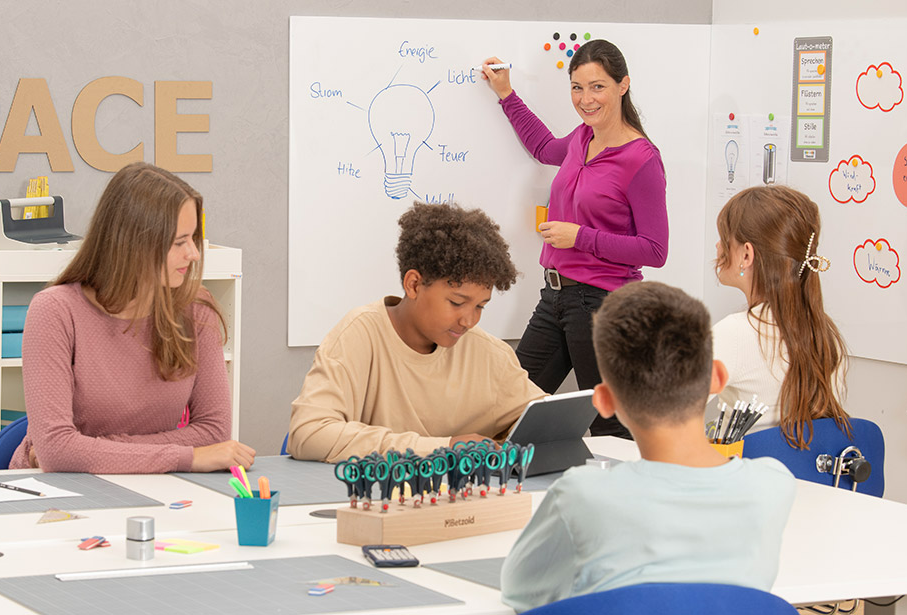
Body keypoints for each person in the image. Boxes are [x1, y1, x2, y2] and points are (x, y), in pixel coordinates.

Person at [500, 281, 795, 612]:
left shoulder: (582, 495)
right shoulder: (774, 484)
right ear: (717, 376)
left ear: (604, 401)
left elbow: (518, 592)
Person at [10, 162, 255, 473]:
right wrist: (187, 457)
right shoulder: (55, 311)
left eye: (193, 238)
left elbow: (214, 433)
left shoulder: (196, 308)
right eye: (180, 242)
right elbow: (58, 450)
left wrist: (91, 447)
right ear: (133, 244)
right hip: (55, 494)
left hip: (154, 486)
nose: (193, 253)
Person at [479, 39, 668, 438]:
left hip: (604, 304)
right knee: (511, 407)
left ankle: (627, 496)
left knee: (610, 425)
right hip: (557, 297)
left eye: (597, 86)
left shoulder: (641, 158)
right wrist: (507, 94)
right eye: (577, 87)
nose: (585, 99)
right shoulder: (582, 138)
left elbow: (654, 249)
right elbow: (545, 147)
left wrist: (580, 237)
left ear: (623, 85)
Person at [288, 202, 545, 463]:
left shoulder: (491, 355)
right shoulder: (359, 334)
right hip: (375, 497)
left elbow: (547, 422)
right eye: (456, 302)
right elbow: (308, 434)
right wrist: (444, 449)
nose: (469, 320)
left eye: (481, 306)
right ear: (413, 285)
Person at [713, 185, 849, 448]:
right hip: (808, 485)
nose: (718, 246)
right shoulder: (825, 333)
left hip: (746, 483)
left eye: (723, 237)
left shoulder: (736, 333)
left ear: (746, 255)